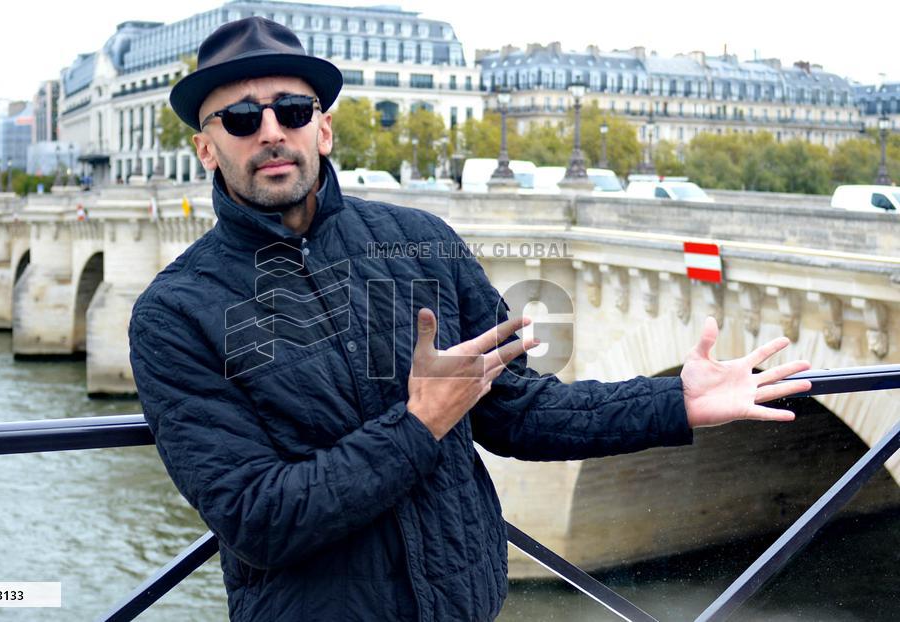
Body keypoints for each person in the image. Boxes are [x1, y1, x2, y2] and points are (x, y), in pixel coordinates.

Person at [127, 17, 812, 622]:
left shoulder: (423, 241)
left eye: (294, 111)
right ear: (207, 148)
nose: (272, 131)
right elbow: (259, 519)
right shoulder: (175, 313)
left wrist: (674, 402)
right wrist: (419, 425)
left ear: (324, 128)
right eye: (241, 119)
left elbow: (519, 412)